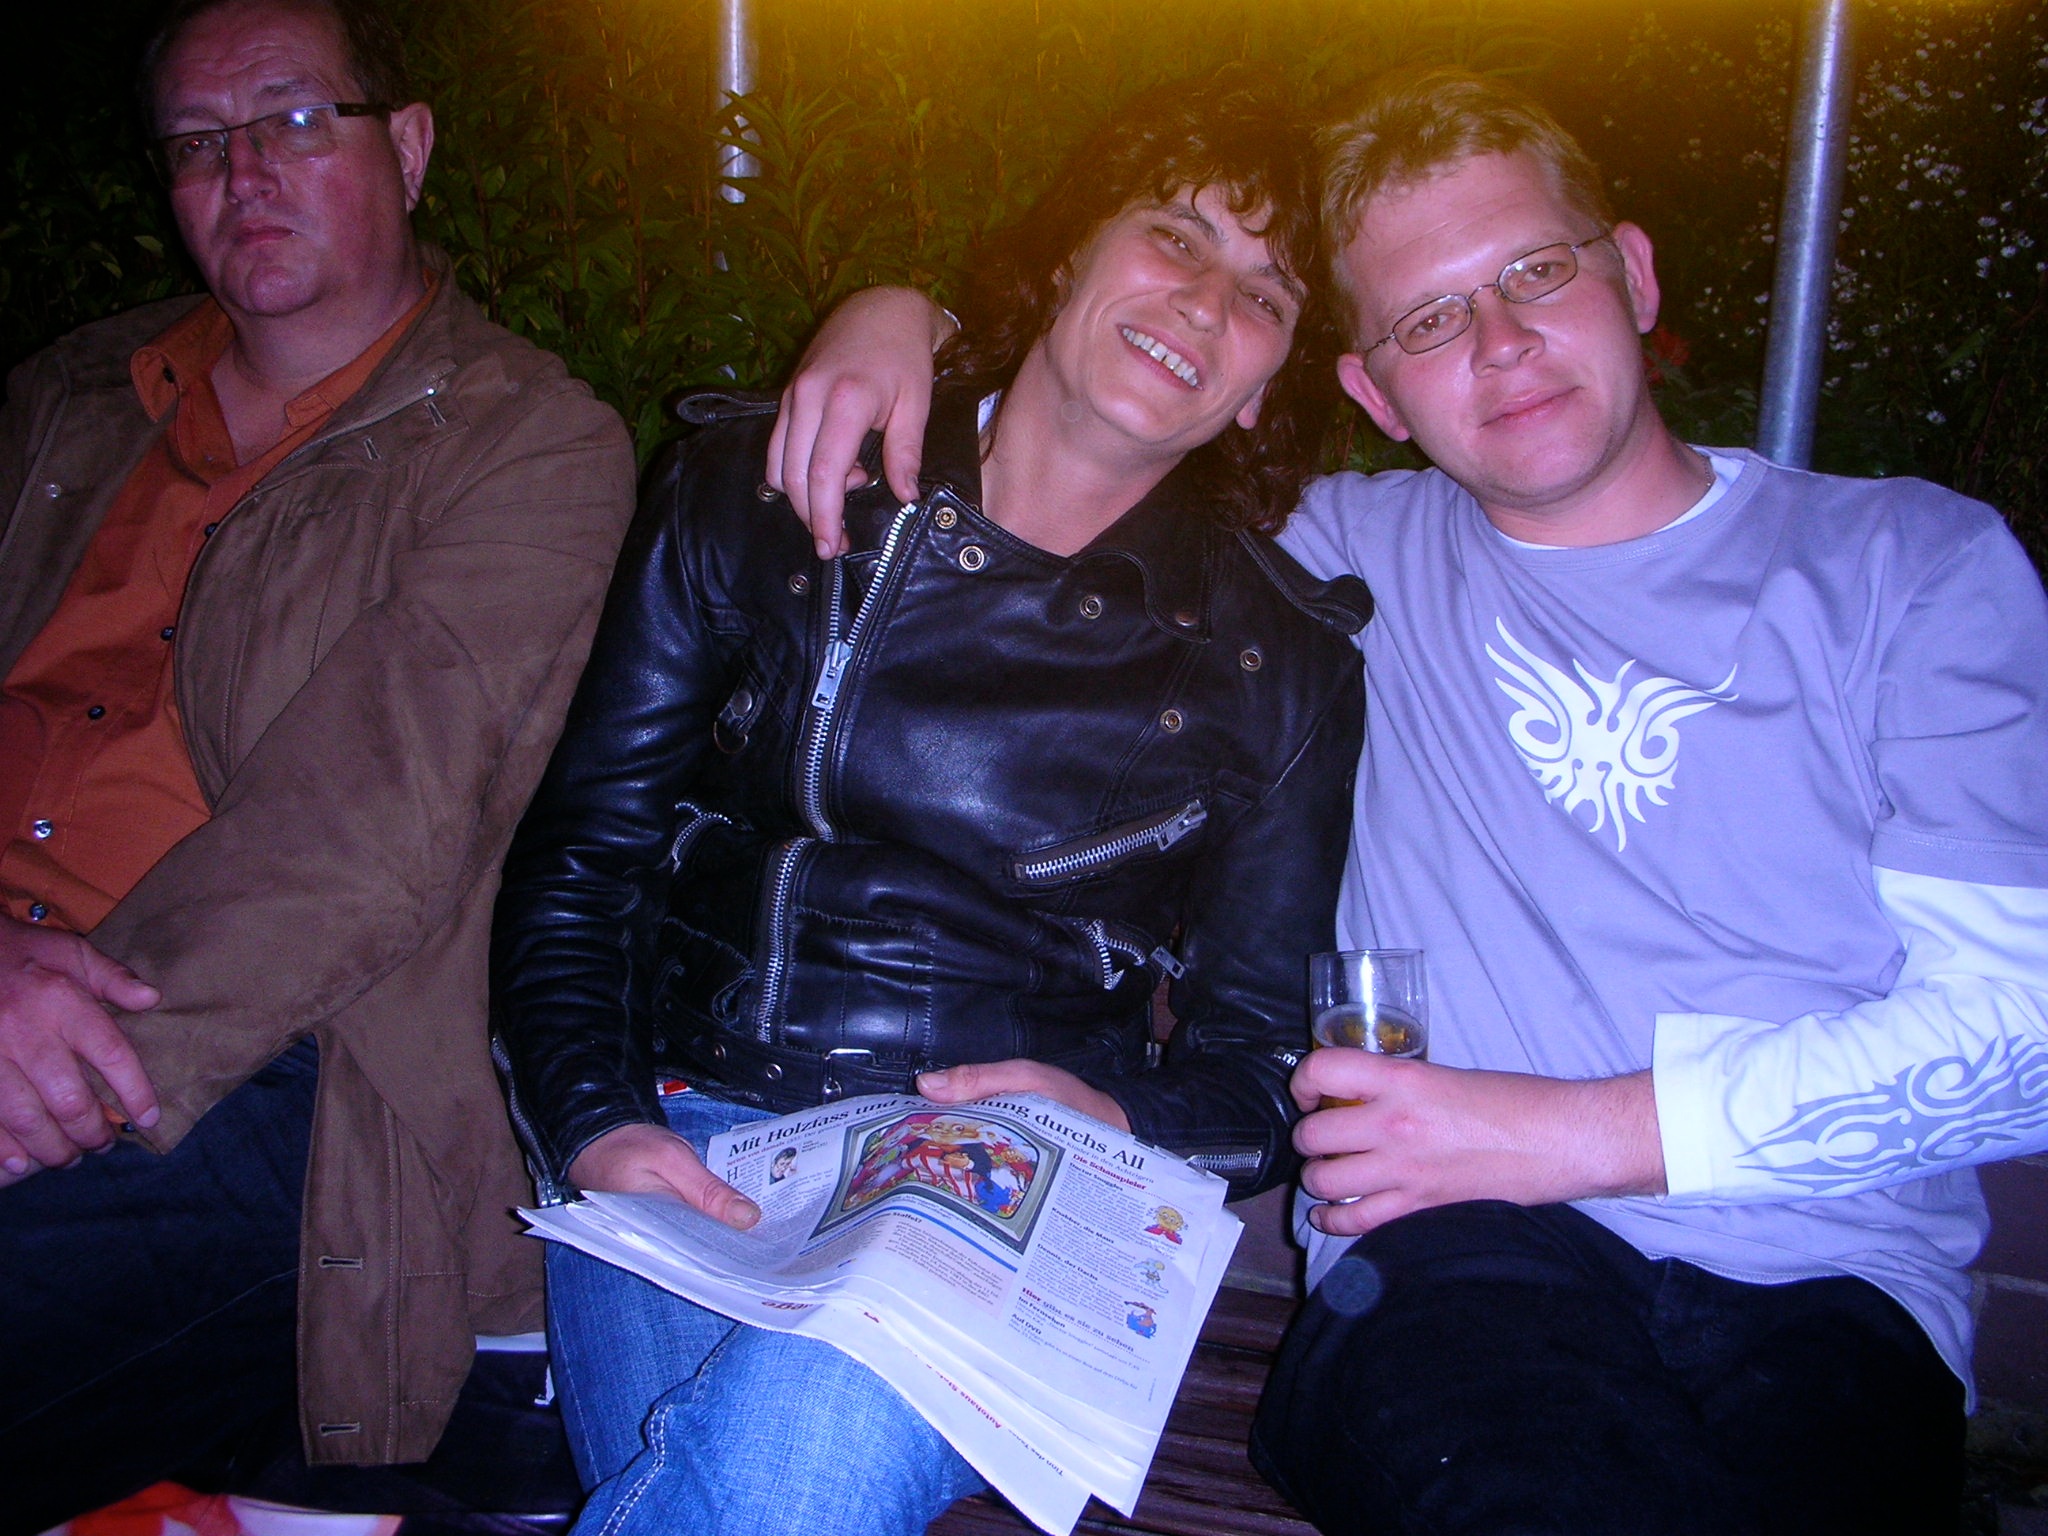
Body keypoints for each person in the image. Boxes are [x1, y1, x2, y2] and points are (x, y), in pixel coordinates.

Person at [760, 65, 2048, 1536]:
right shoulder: (1329, 566)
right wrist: (904, 317)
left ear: (1632, 276)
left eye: (1536, 272)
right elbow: (1087, 418)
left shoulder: (1911, 569)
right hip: (1449, 1265)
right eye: (1429, 320)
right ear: (1372, 393)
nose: (1500, 343)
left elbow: (2024, 1043)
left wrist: (1562, 1132)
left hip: (1838, 1287)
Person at [488, 73, 1368, 1536]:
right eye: (1175, 235)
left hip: (1009, 1181)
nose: (1207, 302)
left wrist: (1114, 1111)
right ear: (1070, 253)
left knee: (804, 1449)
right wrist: (592, 1124)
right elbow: (586, 856)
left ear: (1267, 380)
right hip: (691, 1119)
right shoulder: (760, 491)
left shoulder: (1280, 667)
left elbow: (1259, 1067)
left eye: (1265, 295)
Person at [0, 0, 635, 1524]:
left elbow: (363, 833)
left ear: (407, 150)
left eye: (293, 121)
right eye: (198, 144)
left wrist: (52, 1069)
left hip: (251, 1064)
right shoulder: (67, 399)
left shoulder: (529, 444)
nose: (244, 174)